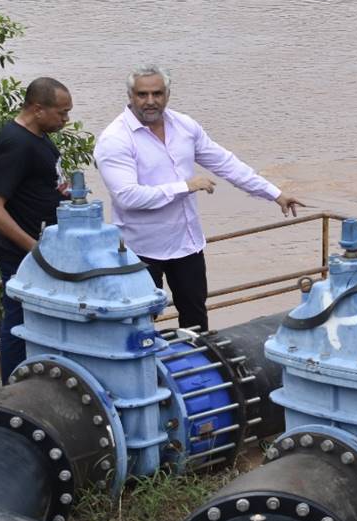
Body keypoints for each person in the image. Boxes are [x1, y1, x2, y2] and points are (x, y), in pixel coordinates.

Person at [94, 64, 305, 332]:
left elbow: (226, 163)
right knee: (141, 324)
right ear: (130, 95)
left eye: (157, 93)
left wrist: (275, 193)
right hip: (142, 250)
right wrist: (185, 186)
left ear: (167, 94)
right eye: (142, 94)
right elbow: (128, 197)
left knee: (195, 318)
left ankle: (198, 371)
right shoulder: (115, 139)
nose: (150, 101)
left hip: (187, 244)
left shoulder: (184, 126)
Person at [0, 77, 72, 383]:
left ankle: (37, 382)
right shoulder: (16, 144)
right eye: (61, 113)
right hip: (21, 255)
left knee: (44, 320)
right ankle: (12, 387)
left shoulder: (38, 137)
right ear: (37, 109)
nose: (66, 119)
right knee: (19, 322)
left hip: (42, 250)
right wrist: (33, 247)